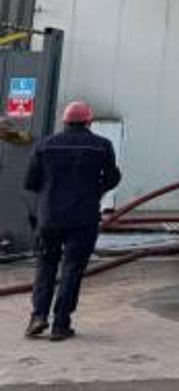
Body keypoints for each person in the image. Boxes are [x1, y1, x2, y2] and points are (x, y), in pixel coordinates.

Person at [22, 101, 120, 341]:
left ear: (64, 122)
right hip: (83, 218)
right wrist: (95, 191)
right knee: (73, 268)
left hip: (49, 218)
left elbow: (30, 182)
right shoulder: (101, 146)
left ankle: (38, 316)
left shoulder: (44, 145)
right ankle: (61, 324)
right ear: (89, 122)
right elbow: (112, 176)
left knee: (46, 266)